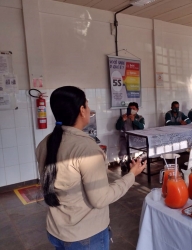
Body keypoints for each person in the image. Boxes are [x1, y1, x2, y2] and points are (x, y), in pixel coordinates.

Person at [35, 86, 146, 250]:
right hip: (85, 236)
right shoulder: (86, 148)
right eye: (87, 105)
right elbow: (100, 199)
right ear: (82, 110)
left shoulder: (45, 143)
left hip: (57, 231)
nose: (89, 109)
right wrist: (131, 175)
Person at [116, 102, 145, 172]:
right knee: (123, 151)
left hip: (137, 139)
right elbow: (117, 127)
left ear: (137, 110)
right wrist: (122, 120)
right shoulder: (123, 117)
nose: (131, 110)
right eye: (130, 109)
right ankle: (123, 164)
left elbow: (142, 127)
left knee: (145, 150)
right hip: (125, 138)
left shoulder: (140, 118)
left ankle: (138, 162)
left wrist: (134, 120)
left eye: (133, 109)